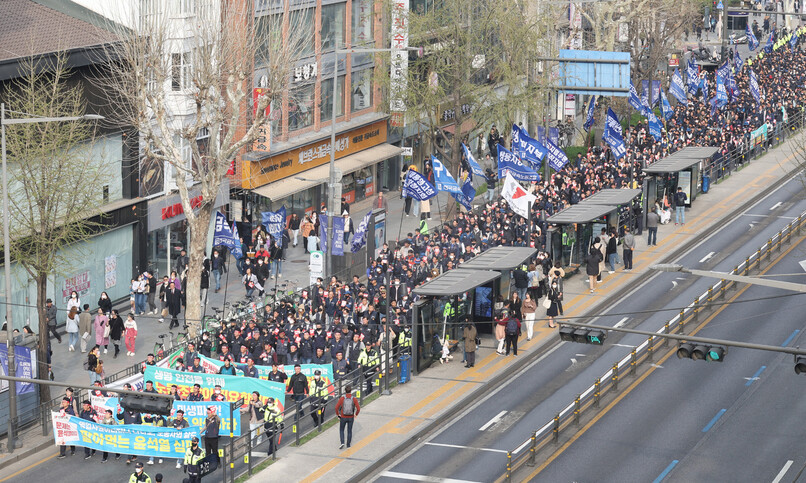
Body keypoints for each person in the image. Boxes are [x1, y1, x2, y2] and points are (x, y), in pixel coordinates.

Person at [335, 385, 361, 449]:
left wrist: (338, 414)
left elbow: (336, 407)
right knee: (349, 430)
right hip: (351, 417)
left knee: (341, 430)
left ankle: (342, 442)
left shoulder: (342, 398)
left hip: (343, 417)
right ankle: (348, 444)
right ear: (351, 391)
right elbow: (358, 408)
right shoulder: (354, 399)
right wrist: (356, 414)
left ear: (345, 391)